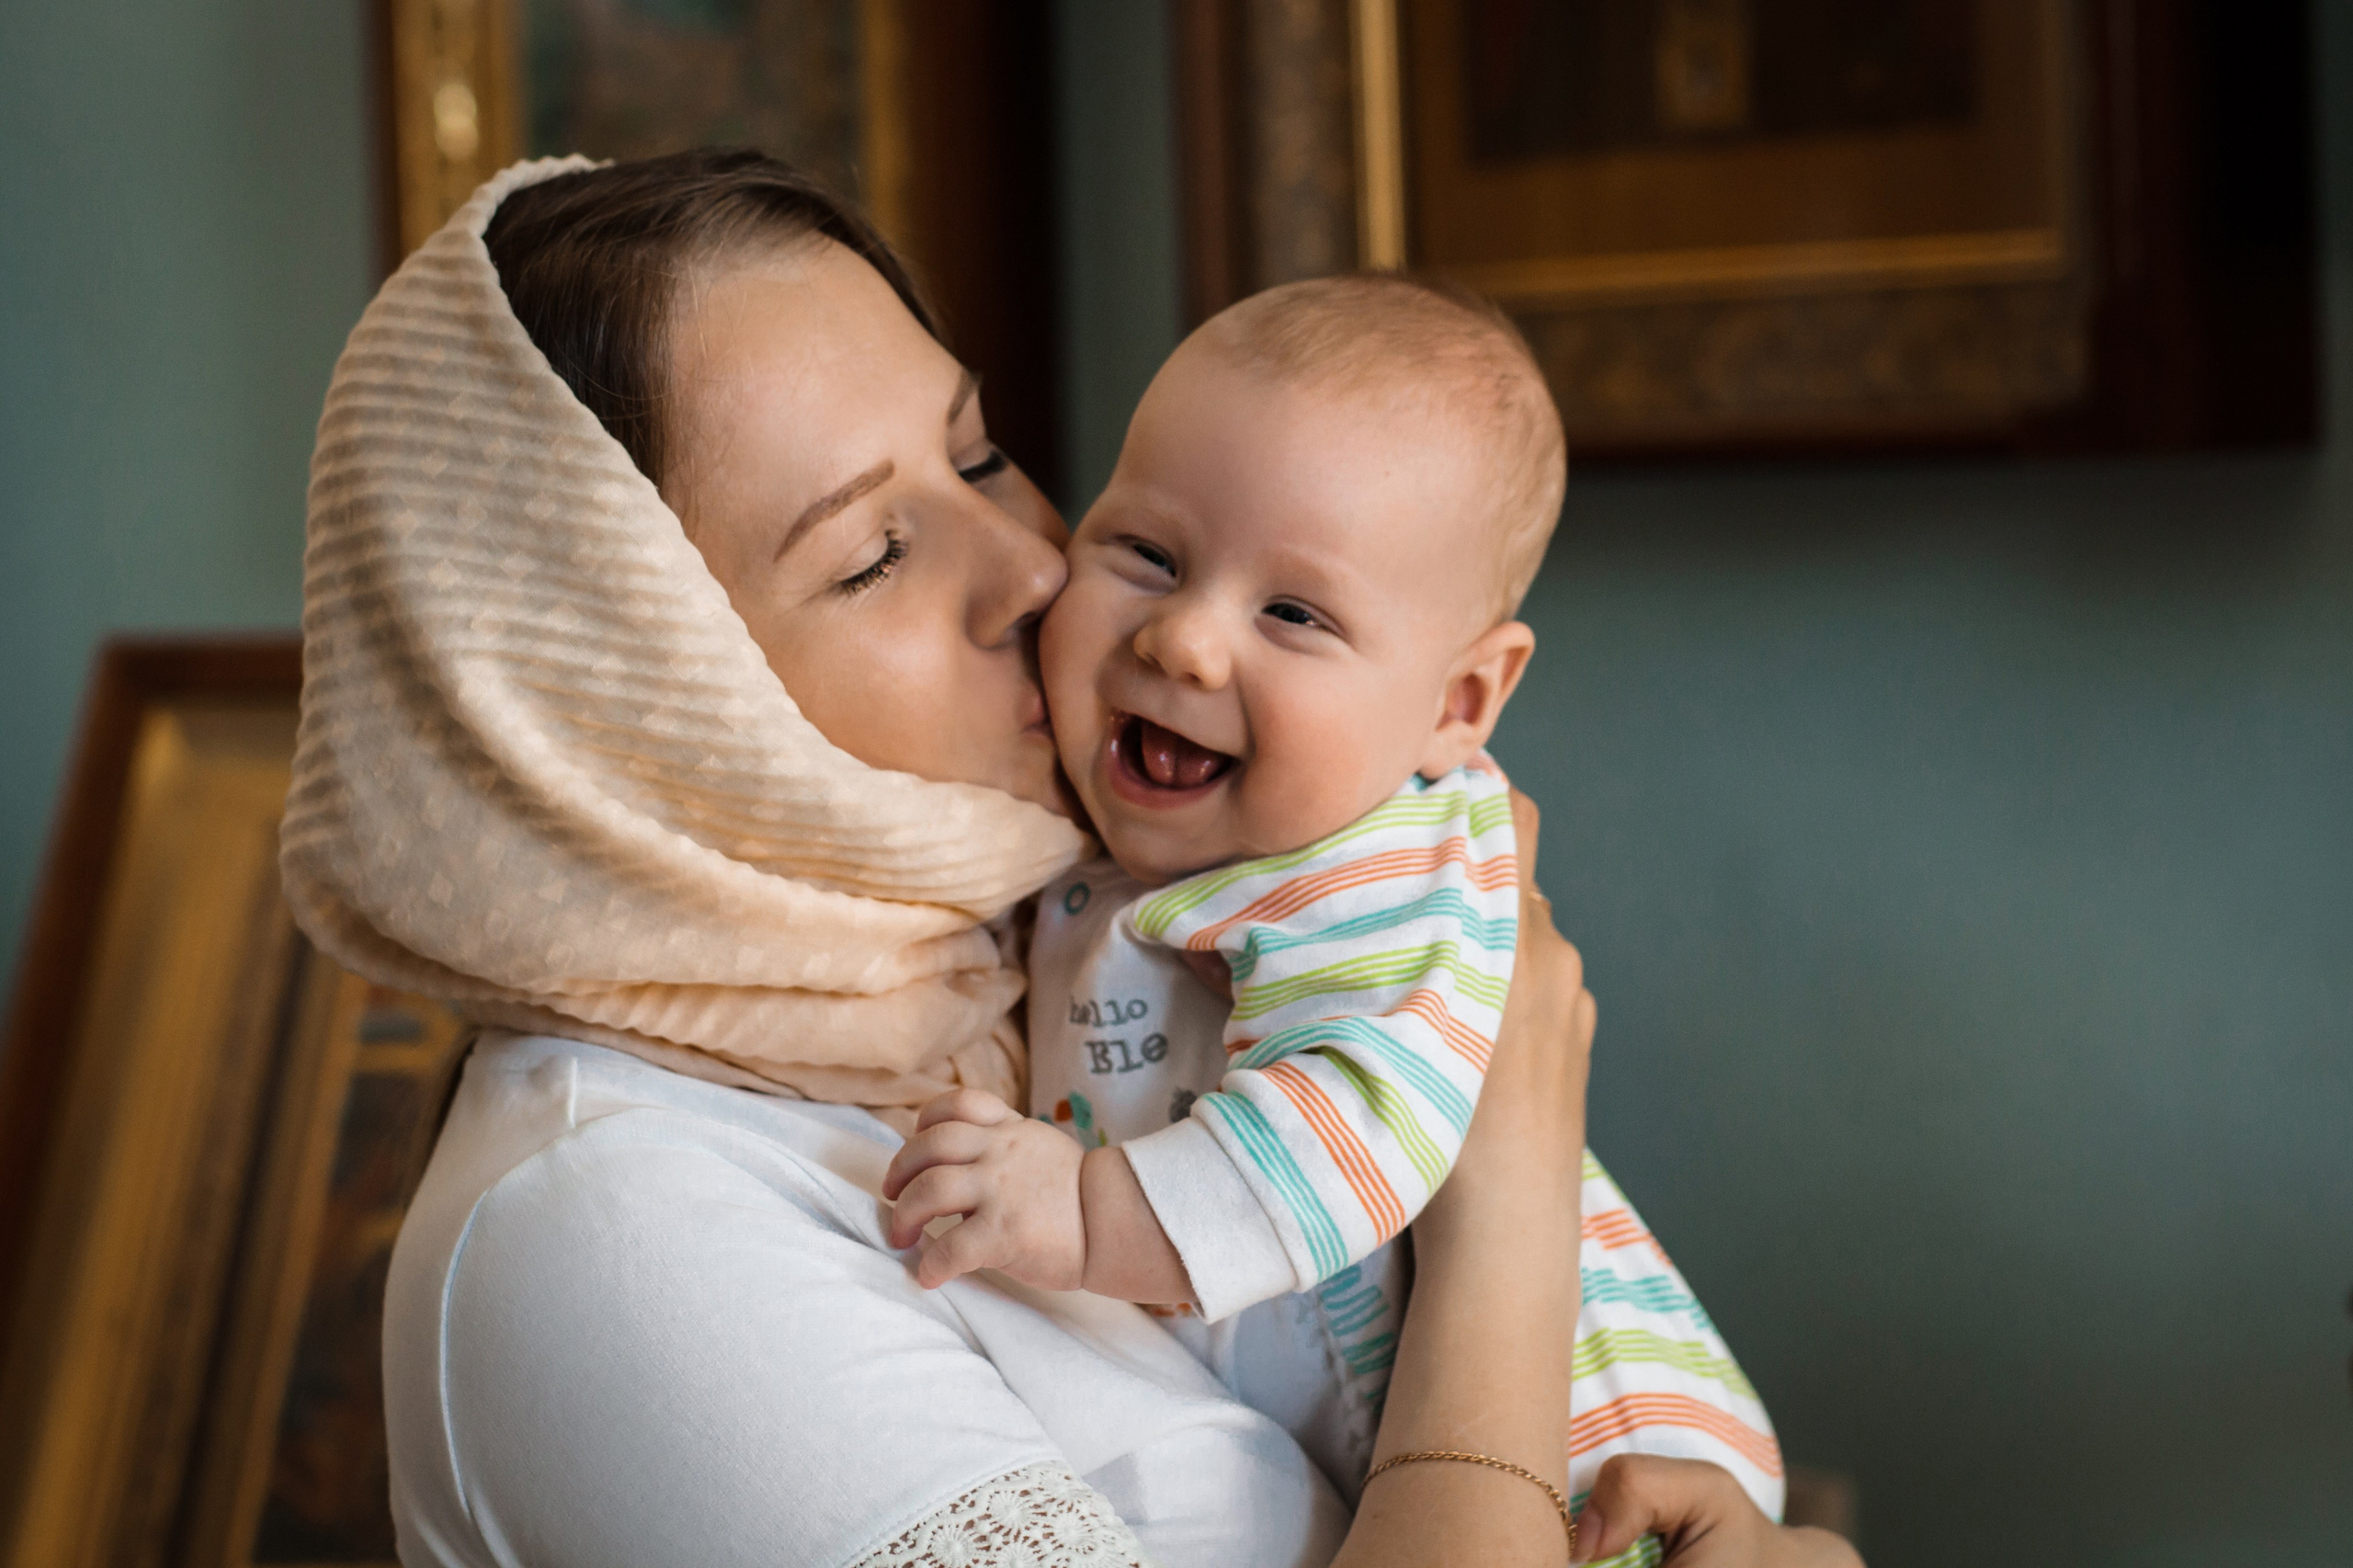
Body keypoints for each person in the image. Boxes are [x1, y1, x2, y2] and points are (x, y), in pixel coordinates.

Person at [286, 148, 1857, 1566]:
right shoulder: (612, 1238)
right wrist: (1501, 1202)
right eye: (873, 555)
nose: (1040, 569)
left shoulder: (1018, 992)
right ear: (622, 717)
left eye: (977, 457)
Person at [877, 275, 1782, 1523]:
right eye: (1146, 554)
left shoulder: (1387, 868)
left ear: (1458, 704)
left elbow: (1349, 1130)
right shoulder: (1122, 824)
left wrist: (1080, 1213)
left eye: (1294, 613)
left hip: (1593, 1474)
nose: (1183, 640)